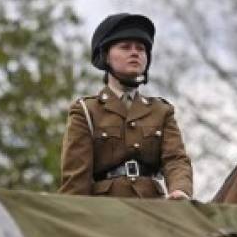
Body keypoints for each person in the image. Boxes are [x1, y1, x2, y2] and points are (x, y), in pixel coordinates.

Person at [59, 13, 193, 199]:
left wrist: (180, 190)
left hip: (154, 207)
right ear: (106, 56)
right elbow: (76, 180)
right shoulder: (86, 111)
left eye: (141, 48)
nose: (134, 53)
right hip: (104, 210)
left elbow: (175, 160)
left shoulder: (161, 111)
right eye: (125, 47)